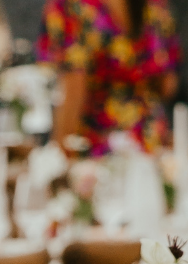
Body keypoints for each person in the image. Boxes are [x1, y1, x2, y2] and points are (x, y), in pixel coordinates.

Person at [36, 0, 180, 154]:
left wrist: (59, 152)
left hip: (96, 146)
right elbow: (167, 86)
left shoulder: (70, 6)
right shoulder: (157, 6)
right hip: (148, 142)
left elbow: (73, 87)